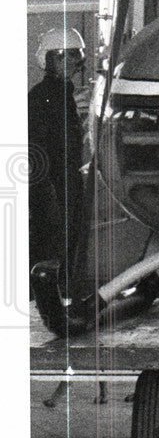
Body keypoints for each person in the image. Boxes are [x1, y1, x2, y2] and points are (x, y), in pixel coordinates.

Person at [28, 27, 87, 317]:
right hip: (52, 186)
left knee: (65, 244)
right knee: (51, 245)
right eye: (67, 56)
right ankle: (45, 306)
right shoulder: (42, 97)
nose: (75, 62)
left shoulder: (64, 95)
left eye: (76, 55)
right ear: (50, 60)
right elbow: (37, 149)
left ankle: (58, 303)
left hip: (66, 182)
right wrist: (47, 192)